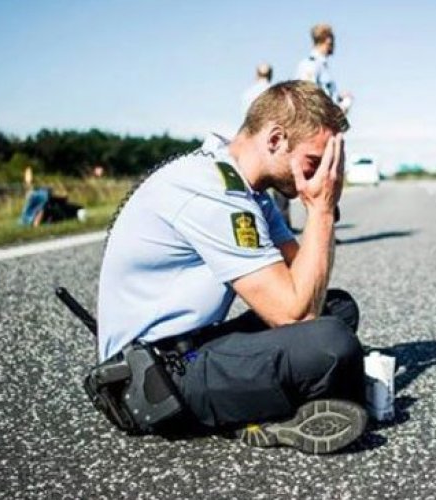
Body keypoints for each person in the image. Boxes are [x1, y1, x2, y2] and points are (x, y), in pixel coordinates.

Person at [97, 81, 366, 454]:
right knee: (330, 343)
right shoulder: (210, 189)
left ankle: (270, 398)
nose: (323, 174)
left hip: (193, 344)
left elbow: (302, 272)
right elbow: (296, 313)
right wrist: (320, 209)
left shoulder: (246, 188)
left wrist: (324, 209)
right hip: (155, 379)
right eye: (314, 161)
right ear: (275, 139)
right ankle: (261, 414)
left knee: (339, 308)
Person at [240, 63, 292, 229]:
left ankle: (257, 225)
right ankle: (283, 225)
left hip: (253, 141)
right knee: (279, 183)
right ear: (271, 74)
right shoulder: (276, 92)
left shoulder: (247, 94)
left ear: (256, 75)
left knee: (253, 185)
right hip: (275, 140)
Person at [296, 23, 353, 114]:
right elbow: (308, 99)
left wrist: (338, 97)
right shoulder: (311, 65)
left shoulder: (321, 66)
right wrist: (343, 107)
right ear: (328, 40)